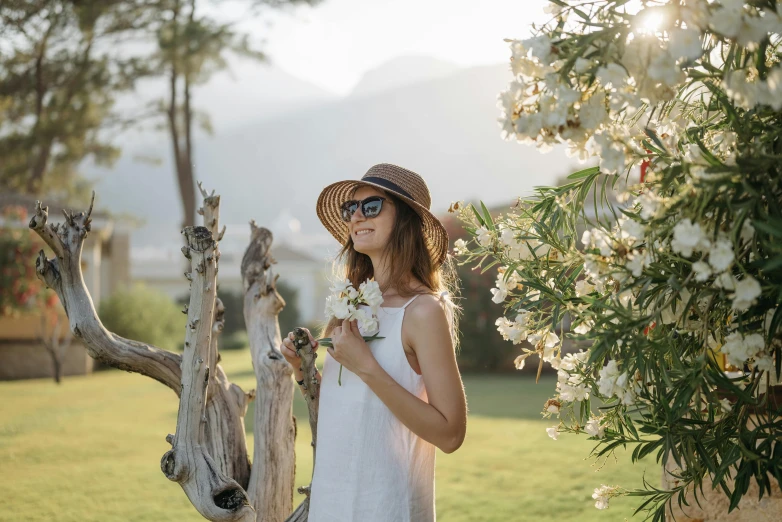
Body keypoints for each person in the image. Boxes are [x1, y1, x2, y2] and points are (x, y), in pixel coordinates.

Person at [279, 163, 467, 522]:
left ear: (407, 220)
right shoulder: (351, 305)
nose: (355, 217)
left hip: (386, 506)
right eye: (351, 208)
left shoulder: (422, 310)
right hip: (331, 503)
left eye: (372, 206)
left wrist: (366, 366)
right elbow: (348, 408)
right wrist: (301, 371)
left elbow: (451, 434)